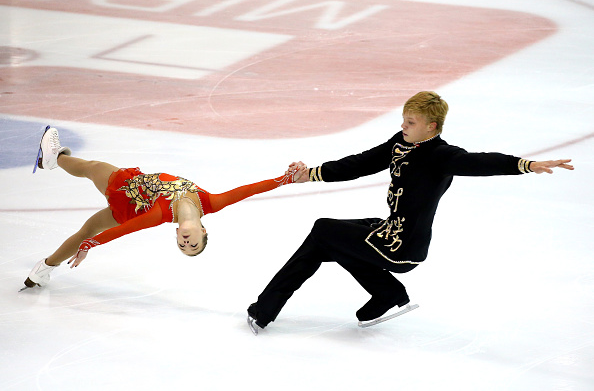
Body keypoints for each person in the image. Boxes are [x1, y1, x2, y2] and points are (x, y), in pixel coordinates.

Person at [246, 91, 574, 335]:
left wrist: (525, 165)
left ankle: (266, 309)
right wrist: (312, 173)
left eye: (411, 122)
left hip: (403, 246)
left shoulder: (441, 155)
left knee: (324, 230)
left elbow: (480, 161)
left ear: (432, 126)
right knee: (329, 240)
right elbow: (360, 163)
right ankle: (385, 294)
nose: (403, 125)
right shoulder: (400, 143)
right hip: (390, 231)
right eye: (403, 119)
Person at [23, 127, 297, 289]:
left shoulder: (163, 214)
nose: (187, 243)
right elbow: (248, 190)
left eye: (183, 246)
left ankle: (54, 158)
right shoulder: (210, 203)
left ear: (177, 235)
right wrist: (283, 179)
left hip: (125, 192)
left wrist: (91, 244)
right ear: (203, 230)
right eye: (194, 245)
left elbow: (127, 229)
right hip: (133, 192)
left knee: (92, 169)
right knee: (87, 225)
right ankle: (44, 268)